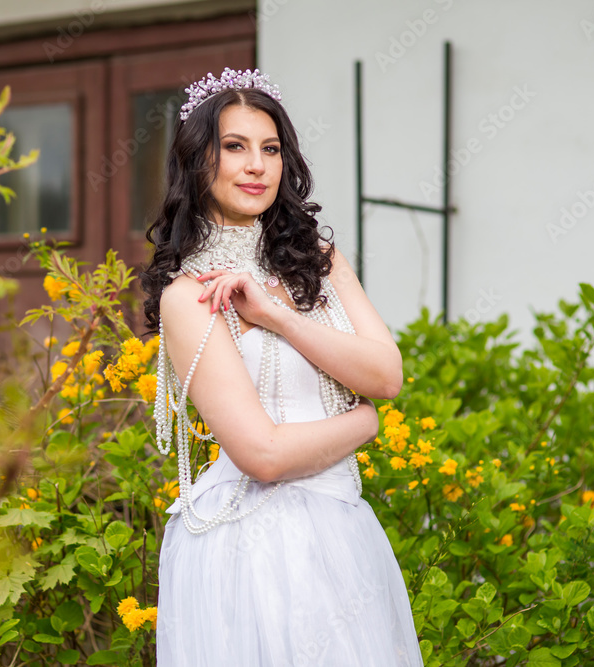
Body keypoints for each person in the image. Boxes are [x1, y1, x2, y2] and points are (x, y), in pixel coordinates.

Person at [141, 68, 424, 666]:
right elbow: (262, 454)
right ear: (198, 162)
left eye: (270, 149)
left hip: (344, 527)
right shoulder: (187, 295)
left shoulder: (320, 261)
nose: (257, 165)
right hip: (252, 542)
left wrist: (279, 317)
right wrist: (365, 426)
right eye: (235, 147)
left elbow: (386, 375)